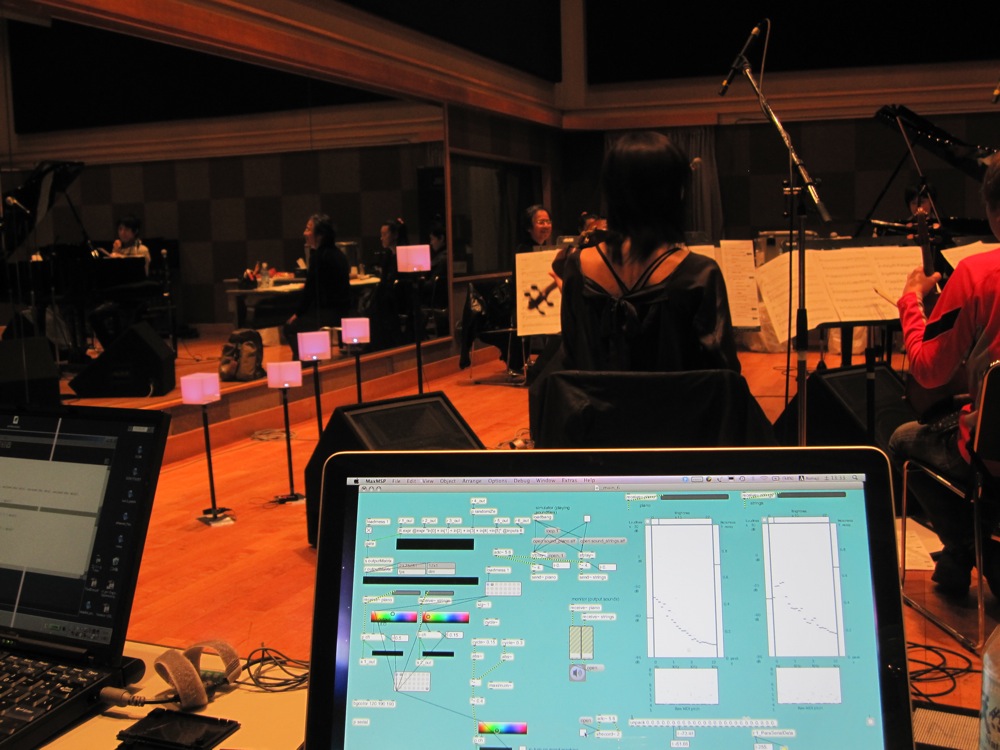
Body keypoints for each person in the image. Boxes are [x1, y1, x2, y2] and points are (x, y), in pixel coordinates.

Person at [888, 157, 1000, 596]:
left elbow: (929, 370)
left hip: (993, 455)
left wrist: (911, 301)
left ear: (993, 210)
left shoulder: (978, 273)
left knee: (904, 439)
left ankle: (966, 548)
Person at [558, 131, 740, 373]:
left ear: (611, 193)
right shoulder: (700, 273)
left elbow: (571, 359)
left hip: (592, 399)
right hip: (677, 400)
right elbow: (723, 373)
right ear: (676, 194)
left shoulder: (577, 265)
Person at [283, 213, 350, 359]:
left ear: (320, 236)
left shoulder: (319, 256)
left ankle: (306, 362)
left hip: (327, 313)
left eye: (308, 229)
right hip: (343, 311)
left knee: (290, 327)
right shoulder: (339, 254)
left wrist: (297, 314)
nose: (304, 233)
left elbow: (310, 290)